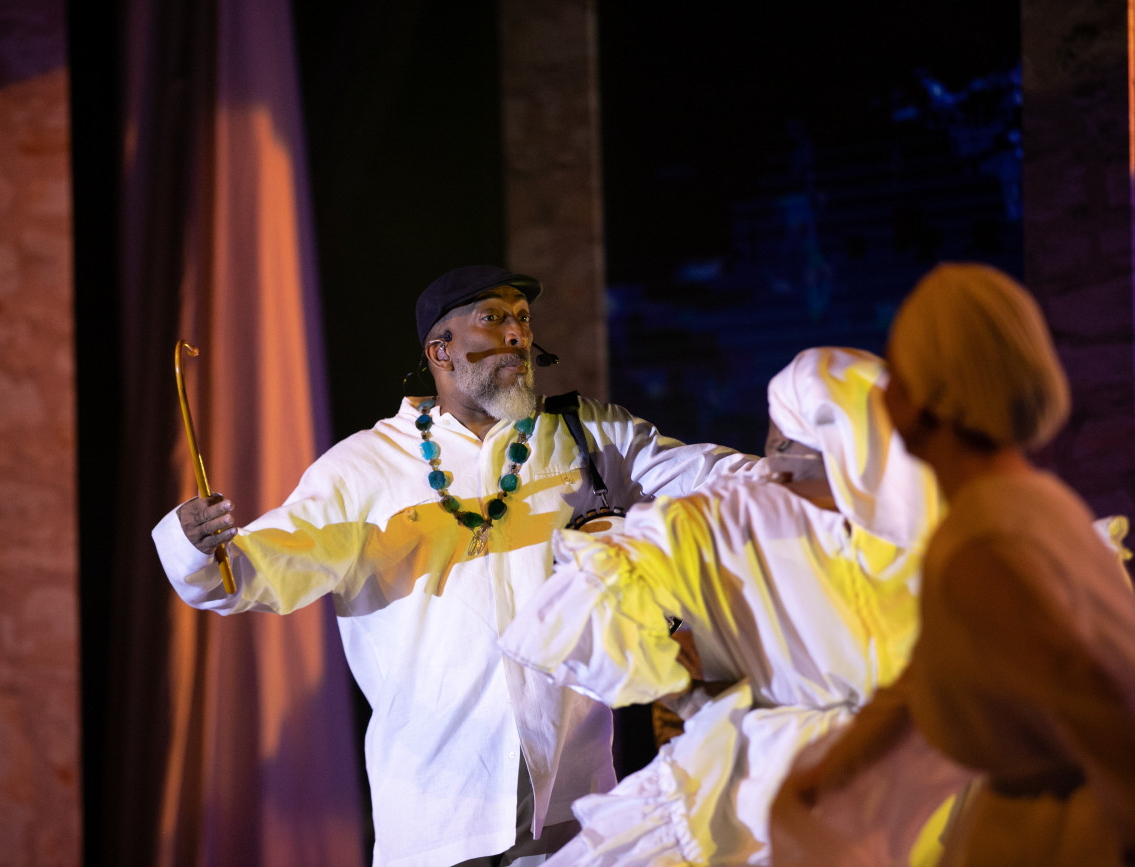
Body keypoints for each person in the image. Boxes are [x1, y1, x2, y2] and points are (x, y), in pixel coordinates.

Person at [152, 265, 757, 867]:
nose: (517, 333)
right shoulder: (365, 466)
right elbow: (258, 568)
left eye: (522, 318)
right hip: (436, 808)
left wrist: (798, 470)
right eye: (493, 318)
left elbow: (710, 476)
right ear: (440, 351)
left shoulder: (587, 435)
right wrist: (197, 545)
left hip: (569, 801)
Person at [497, 345, 950, 866]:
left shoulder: (740, 513)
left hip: (799, 786)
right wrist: (683, 691)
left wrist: (686, 692)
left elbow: (577, 606)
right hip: (844, 786)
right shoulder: (918, 525)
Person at [772, 263, 1135, 866]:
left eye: (899, 374)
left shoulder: (983, 546)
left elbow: (1104, 713)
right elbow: (928, 677)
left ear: (927, 399)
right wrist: (834, 772)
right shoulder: (1026, 503)